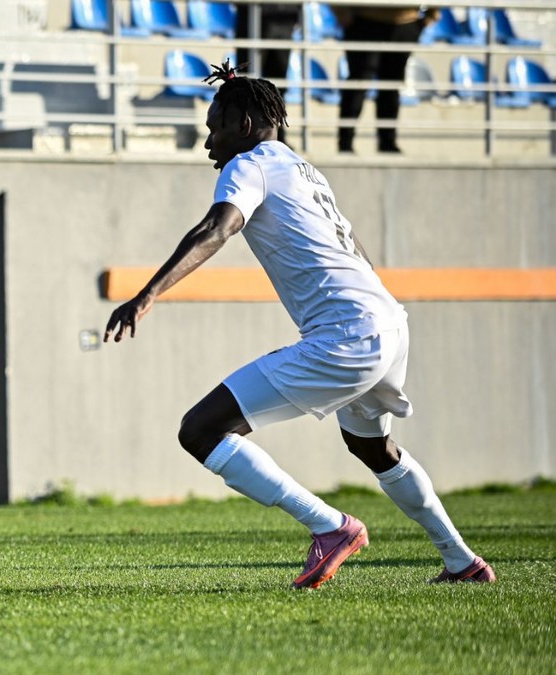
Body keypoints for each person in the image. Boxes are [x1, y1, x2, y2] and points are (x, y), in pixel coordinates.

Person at [103, 60, 495, 588]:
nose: (208, 144)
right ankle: (461, 561)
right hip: (388, 323)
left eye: (213, 127)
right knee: (372, 447)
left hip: (348, 334)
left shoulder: (248, 166)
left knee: (200, 429)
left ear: (242, 126)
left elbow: (218, 228)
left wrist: (147, 293)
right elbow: (353, 248)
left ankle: (330, 528)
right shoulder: (304, 170)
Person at [335, 5, 438, 153]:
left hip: (406, 23)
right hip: (363, 21)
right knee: (358, 84)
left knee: (391, 86)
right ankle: (345, 143)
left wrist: (432, 14)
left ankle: (388, 143)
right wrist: (341, 11)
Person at [234, 2, 299, 145]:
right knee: (246, 83)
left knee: (277, 84)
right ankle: (243, 133)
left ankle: (277, 136)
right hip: (252, 15)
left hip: (284, 18)